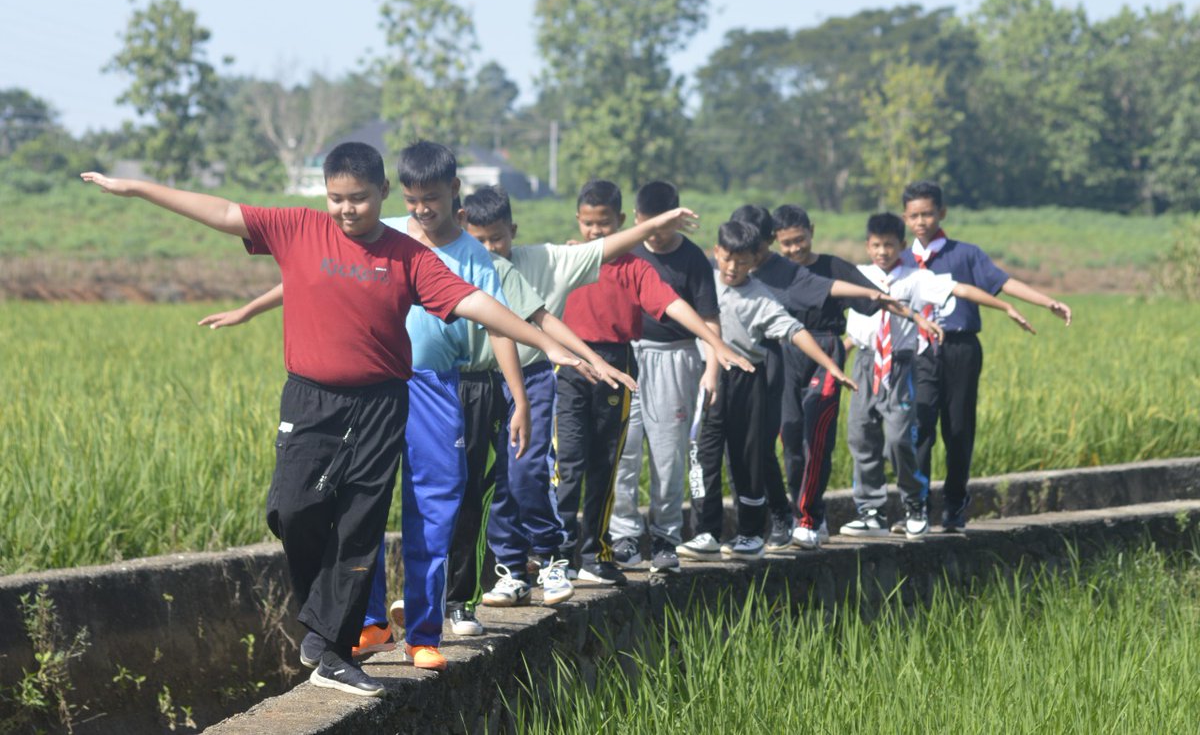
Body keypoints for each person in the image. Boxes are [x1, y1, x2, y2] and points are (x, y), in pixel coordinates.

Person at [83, 142, 584, 697]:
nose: (347, 210)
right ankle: (327, 631)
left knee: (358, 527)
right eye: (337, 199)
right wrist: (137, 188)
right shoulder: (298, 229)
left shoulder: (409, 256)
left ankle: (334, 648)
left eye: (360, 199)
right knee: (293, 509)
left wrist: (543, 341)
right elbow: (225, 212)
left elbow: (472, 302)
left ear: (382, 194)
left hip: (381, 406)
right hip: (310, 401)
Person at [462, 186, 696, 602]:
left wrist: (712, 340)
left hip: (566, 368)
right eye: (480, 239)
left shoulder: (555, 260)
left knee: (570, 466)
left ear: (512, 230)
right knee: (520, 474)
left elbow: (546, 314)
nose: (490, 247)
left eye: (496, 237)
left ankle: (571, 554)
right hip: (517, 374)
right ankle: (527, 564)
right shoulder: (467, 266)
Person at [557, 180, 752, 584]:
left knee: (618, 461)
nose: (596, 232)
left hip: (624, 361)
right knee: (572, 463)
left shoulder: (635, 267)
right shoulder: (565, 258)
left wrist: (714, 342)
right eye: (589, 224)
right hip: (572, 365)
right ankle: (561, 554)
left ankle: (617, 547)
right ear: (578, 221)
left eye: (605, 224)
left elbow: (675, 305)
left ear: (623, 223)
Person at [843, 212, 1034, 539]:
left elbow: (960, 289)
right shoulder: (857, 276)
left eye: (890, 245)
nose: (883, 252)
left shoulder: (916, 277)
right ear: (867, 246)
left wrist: (1004, 307)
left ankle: (914, 503)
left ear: (902, 246)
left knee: (899, 440)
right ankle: (870, 511)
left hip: (900, 366)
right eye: (876, 245)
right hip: (866, 363)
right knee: (861, 436)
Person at [678, 221, 856, 562]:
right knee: (704, 453)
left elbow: (794, 330)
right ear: (716, 252)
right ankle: (705, 532)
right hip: (708, 376)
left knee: (748, 457)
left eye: (743, 262)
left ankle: (749, 534)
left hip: (746, 377)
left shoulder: (760, 296)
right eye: (728, 258)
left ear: (754, 262)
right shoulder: (703, 280)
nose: (733, 268)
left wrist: (831, 365)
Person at [900, 180, 1071, 532]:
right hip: (918, 352)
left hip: (960, 348)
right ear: (905, 218)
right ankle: (915, 507)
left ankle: (954, 504)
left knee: (958, 428)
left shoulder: (965, 254)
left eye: (928, 214)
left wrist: (1045, 301)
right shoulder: (900, 259)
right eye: (914, 215)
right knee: (919, 427)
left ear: (942, 213)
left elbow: (1002, 283)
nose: (922, 221)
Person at [609, 181, 722, 575]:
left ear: (677, 218)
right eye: (648, 225)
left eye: (663, 226)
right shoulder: (625, 249)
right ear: (637, 220)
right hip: (625, 356)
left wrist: (712, 367)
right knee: (623, 450)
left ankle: (665, 537)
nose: (655, 234)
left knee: (669, 454)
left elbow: (708, 318)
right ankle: (622, 536)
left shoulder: (692, 259)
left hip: (675, 359)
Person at [771, 203, 889, 550]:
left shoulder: (833, 267)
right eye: (786, 243)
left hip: (825, 351)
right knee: (790, 438)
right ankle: (798, 513)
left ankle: (811, 518)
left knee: (815, 435)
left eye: (799, 239)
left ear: (812, 231)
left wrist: (904, 306)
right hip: (787, 351)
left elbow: (873, 298)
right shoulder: (774, 269)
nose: (794, 249)